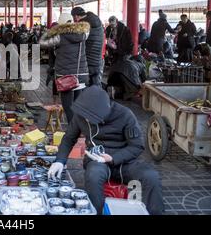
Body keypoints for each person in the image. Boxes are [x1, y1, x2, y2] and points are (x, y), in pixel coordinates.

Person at [48, 85, 164, 215]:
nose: (86, 119)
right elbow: (69, 138)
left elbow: (137, 146)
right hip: (96, 160)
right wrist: (60, 161)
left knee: (151, 177)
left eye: (89, 117)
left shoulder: (125, 115)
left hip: (124, 161)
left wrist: (114, 158)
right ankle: (95, 212)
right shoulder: (81, 115)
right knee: (93, 175)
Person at [39, 19, 90, 123]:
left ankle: (74, 131)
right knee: (77, 106)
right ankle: (81, 130)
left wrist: (52, 30)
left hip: (66, 77)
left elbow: (42, 42)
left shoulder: (59, 37)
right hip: (81, 75)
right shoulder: (84, 34)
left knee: (68, 106)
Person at [71, 7, 104, 86]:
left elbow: (76, 42)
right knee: (96, 85)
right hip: (98, 60)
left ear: (75, 16)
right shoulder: (98, 23)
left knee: (85, 87)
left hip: (87, 61)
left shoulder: (83, 26)